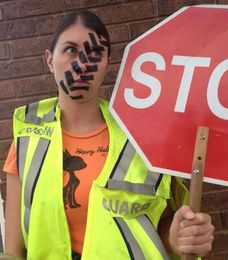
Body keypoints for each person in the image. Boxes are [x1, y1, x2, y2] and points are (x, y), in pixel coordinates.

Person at [3, 10, 214, 260]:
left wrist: (179, 236)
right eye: (70, 50)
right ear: (50, 60)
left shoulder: (141, 136)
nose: (82, 64)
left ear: (107, 62)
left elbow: (163, 223)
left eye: (94, 53)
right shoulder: (28, 139)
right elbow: (13, 251)